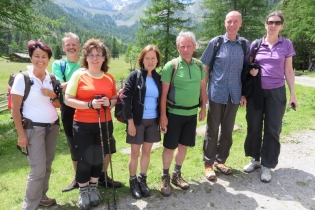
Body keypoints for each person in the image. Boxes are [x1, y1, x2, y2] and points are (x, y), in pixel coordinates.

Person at [65, 39, 120, 210]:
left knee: (98, 158)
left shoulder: (109, 77)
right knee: (84, 160)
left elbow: (115, 98)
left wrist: (108, 102)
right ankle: (83, 191)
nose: (95, 58)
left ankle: (94, 188)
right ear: (86, 57)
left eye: (99, 55)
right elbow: (68, 99)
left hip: (104, 123)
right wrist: (89, 105)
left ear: (104, 58)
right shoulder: (79, 75)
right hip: (82, 124)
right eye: (91, 55)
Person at [243, 11, 297, 183]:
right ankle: (255, 159)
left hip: (277, 91)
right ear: (265, 24)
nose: (273, 25)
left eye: (277, 22)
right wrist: (251, 72)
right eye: (270, 22)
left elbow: (288, 70)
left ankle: (267, 165)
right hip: (256, 92)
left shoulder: (286, 44)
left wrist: (293, 94)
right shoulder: (256, 44)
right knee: (254, 126)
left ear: (282, 25)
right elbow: (248, 67)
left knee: (273, 129)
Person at [200, 11, 249, 181]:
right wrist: (204, 93)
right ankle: (208, 164)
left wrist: (244, 93)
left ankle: (221, 161)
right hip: (216, 93)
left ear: (240, 24)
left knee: (227, 131)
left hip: (235, 94)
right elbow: (205, 67)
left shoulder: (244, 45)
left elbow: (246, 71)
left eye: (235, 22)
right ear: (224, 23)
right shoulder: (216, 42)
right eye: (229, 21)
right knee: (212, 130)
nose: (232, 25)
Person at [11, 40, 60, 209]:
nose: (41, 59)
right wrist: (21, 134)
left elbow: (59, 103)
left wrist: (53, 94)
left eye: (44, 56)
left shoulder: (51, 78)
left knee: (46, 165)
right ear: (31, 57)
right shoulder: (22, 78)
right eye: (37, 56)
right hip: (33, 129)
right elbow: (15, 109)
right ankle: (29, 206)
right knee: (37, 168)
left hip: (53, 126)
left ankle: (41, 197)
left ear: (49, 59)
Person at [160, 31, 207, 197]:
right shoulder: (170, 66)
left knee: (183, 145)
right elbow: (164, 94)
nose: (185, 49)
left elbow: (202, 87)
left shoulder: (199, 65)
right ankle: (164, 176)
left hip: (191, 114)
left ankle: (176, 175)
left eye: (189, 46)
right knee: (169, 147)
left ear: (194, 47)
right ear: (177, 47)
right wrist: (163, 116)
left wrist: (203, 107)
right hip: (173, 114)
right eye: (182, 46)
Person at [123, 45, 162, 199]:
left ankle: (142, 179)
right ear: (142, 60)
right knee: (134, 153)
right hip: (137, 121)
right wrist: (130, 123)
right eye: (147, 58)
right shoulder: (135, 76)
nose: (150, 61)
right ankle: (133, 181)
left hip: (153, 121)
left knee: (146, 152)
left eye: (153, 58)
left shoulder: (159, 78)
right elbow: (126, 99)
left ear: (157, 60)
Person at [52, 32, 81, 192]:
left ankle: (98, 176)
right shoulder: (59, 65)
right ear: (63, 47)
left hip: (85, 106)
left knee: (93, 142)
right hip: (68, 108)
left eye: (74, 44)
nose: (71, 47)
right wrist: (79, 79)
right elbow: (58, 87)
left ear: (79, 46)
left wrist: (66, 84)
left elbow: (64, 86)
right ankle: (78, 178)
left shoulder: (86, 61)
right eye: (67, 45)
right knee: (73, 143)